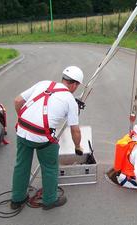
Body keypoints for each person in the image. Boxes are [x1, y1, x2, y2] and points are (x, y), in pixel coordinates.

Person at [11, 66, 84, 210]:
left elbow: (18, 101)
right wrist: (77, 146)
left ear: (64, 78)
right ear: (75, 84)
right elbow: (75, 130)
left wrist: (23, 120)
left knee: (21, 165)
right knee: (50, 167)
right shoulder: (70, 100)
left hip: (22, 131)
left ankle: (17, 199)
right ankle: (49, 200)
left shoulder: (43, 84)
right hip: (42, 138)